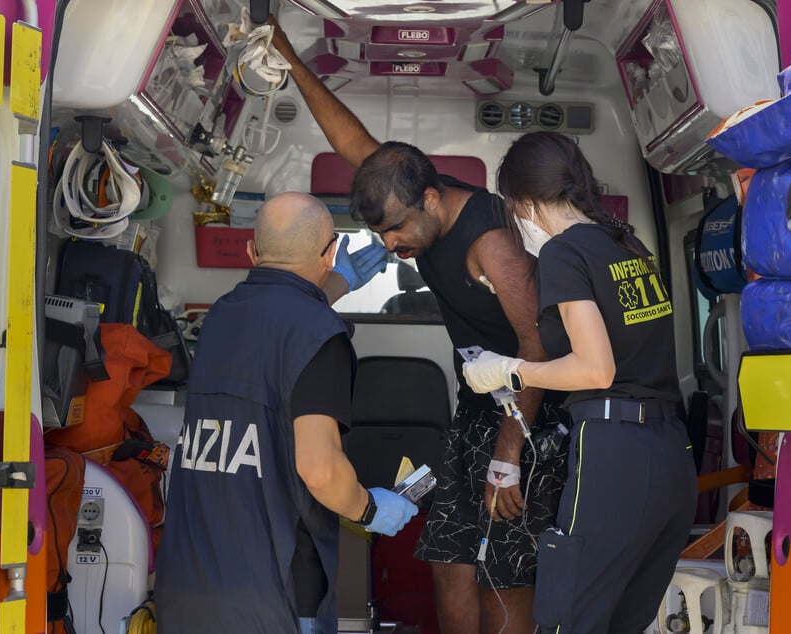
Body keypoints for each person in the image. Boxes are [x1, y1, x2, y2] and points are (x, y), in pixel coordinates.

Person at [270, 24, 570, 634]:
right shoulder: (406, 194)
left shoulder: (491, 241)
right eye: (380, 235)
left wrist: (510, 453)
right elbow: (354, 141)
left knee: (502, 573)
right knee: (450, 564)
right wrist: (288, 56)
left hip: (527, 413)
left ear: (432, 198)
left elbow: (538, 345)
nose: (390, 246)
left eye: (397, 230)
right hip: (476, 409)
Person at [462, 131, 698, 633]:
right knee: (623, 622)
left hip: (613, 452)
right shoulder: (626, 243)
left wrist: (510, 369)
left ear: (524, 203)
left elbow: (596, 370)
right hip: (671, 455)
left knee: (569, 620)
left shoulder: (564, 254)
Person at [155, 192, 418, 634]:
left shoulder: (220, 318)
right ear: (331, 253)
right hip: (274, 597)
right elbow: (319, 469)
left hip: (188, 589)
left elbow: (278, 326)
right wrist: (371, 510)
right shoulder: (320, 337)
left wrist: (337, 285)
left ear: (251, 252)